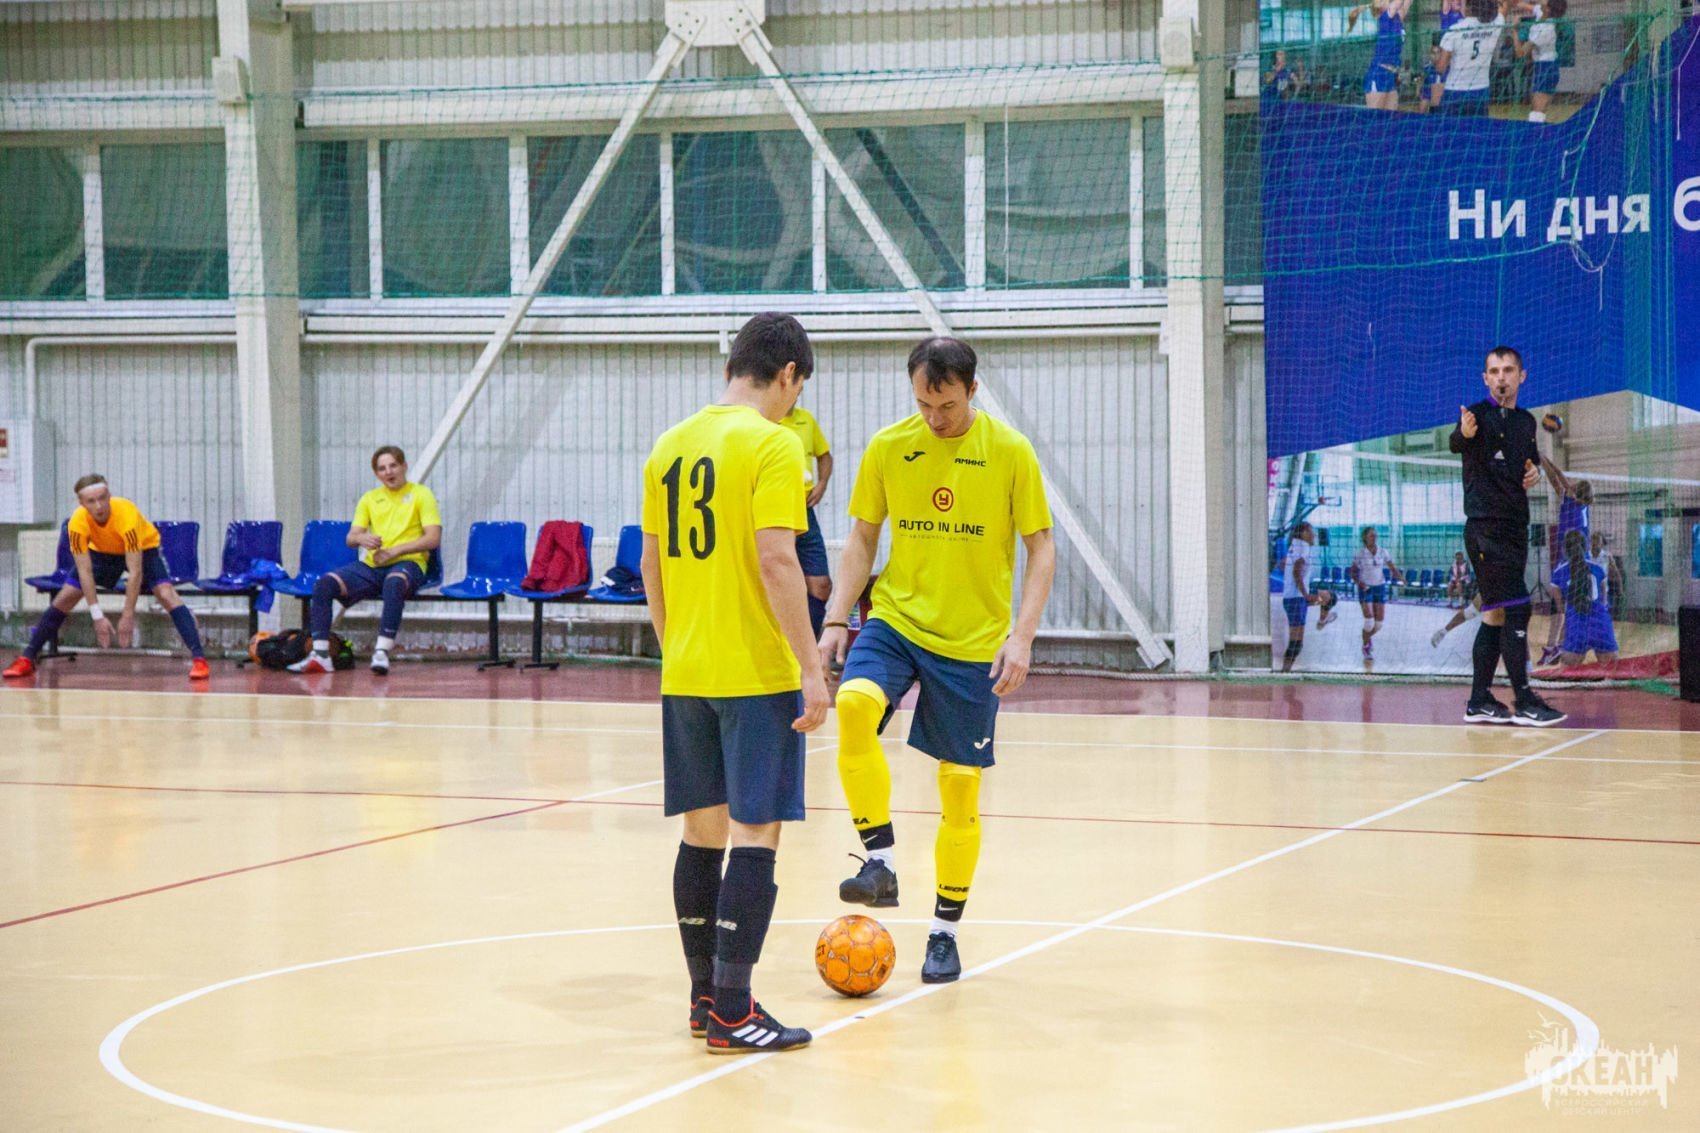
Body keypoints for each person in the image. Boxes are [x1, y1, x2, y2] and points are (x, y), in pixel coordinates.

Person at [818, 336, 1056, 985]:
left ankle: (944, 933)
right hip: (897, 618)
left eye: (946, 405)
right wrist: (837, 618)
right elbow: (863, 537)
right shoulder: (890, 447)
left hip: (974, 642)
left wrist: (1022, 637)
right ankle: (882, 862)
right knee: (853, 705)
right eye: (923, 403)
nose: (934, 417)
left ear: (972, 390)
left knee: (959, 789)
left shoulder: (1010, 451)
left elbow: (1042, 549)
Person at [638, 312, 828, 1055]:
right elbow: (778, 559)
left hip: (687, 668)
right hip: (754, 670)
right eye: (796, 389)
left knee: (700, 833)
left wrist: (675, 650)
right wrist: (811, 668)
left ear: (731, 366)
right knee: (755, 832)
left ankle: (703, 1000)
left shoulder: (669, 444)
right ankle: (734, 1010)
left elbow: (652, 565)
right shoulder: (776, 443)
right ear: (788, 375)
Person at [1449, 346, 1565, 724]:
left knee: (1495, 614)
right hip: (1485, 530)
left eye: (1508, 370)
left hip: (1515, 527)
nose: (1501, 377)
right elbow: (1456, 442)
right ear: (1486, 378)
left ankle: (1479, 700)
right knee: (1518, 606)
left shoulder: (1526, 422)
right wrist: (1464, 433)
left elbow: (1529, 464)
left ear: (1521, 376)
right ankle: (1524, 700)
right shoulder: (1475, 416)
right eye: (1495, 371)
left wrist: (1532, 473)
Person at [4, 475, 209, 681]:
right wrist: (97, 615)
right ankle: (27, 658)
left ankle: (199, 660)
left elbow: (135, 572)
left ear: (109, 495)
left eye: (102, 498)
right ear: (82, 503)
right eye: (91, 501)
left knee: (166, 593)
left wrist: (128, 615)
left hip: (145, 550)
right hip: (102, 553)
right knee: (66, 596)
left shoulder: (126, 515)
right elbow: (85, 572)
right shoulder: (76, 523)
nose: (99, 506)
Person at [288, 446, 441, 676]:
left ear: (404, 466)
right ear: (377, 474)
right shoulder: (370, 499)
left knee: (394, 582)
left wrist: (395, 551)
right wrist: (362, 538)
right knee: (324, 584)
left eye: (393, 466)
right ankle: (320, 655)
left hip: (409, 564)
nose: (388, 472)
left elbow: (433, 538)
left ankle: (381, 652)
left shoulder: (421, 494)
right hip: (373, 566)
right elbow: (351, 538)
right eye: (382, 468)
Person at [779, 399, 834, 638]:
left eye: (800, 385)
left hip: (804, 511)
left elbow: (825, 456)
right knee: (781, 585)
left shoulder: (806, 419)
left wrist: (821, 483)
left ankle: (808, 647)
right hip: (776, 512)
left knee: (821, 585)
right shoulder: (762, 421)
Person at [1535, 455, 1591, 666]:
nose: (1570, 486)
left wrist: (1543, 459)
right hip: (1580, 562)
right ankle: (1558, 646)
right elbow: (1559, 479)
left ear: (1576, 492)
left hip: (1568, 561)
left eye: (1574, 486)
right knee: (1567, 606)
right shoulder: (1584, 507)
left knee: (1559, 605)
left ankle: (1555, 647)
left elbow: (1556, 478)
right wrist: (1548, 463)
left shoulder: (1571, 503)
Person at [1550, 529, 1617, 664]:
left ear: (1565, 549)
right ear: (1585, 546)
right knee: (1610, 667)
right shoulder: (1598, 569)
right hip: (1600, 623)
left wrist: (1561, 641)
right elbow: (1604, 602)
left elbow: (1561, 609)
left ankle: (1558, 652)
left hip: (1577, 625)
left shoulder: (1558, 574)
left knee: (1568, 669)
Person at [1279, 522, 1337, 672]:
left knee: (1330, 597)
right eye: (1311, 532)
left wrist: (1289, 580)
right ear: (1303, 533)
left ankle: (1322, 620)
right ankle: (1284, 672)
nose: (1314, 535)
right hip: (1296, 600)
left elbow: (1282, 563)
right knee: (1296, 643)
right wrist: (1305, 595)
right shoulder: (1303, 548)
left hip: (1294, 598)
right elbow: (1296, 573)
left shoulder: (1294, 545)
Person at [1437, 0, 1510, 117]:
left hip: (1455, 90)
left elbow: (1440, 68)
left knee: (1452, 127)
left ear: (1468, 7)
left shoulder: (1454, 30)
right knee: (1477, 127)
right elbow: (1505, 5)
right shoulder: (1495, 25)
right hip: (1481, 89)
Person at [1350, 526, 1404, 669]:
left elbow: (1392, 567)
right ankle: (1366, 647)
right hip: (1365, 588)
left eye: (1375, 535)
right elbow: (1352, 573)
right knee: (1369, 621)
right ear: (1364, 538)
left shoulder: (1383, 551)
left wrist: (1401, 578)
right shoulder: (1360, 554)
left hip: (1379, 587)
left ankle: (1366, 638)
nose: (1374, 538)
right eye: (1371, 535)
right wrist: (1360, 583)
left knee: (1378, 625)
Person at [1350, 0, 1412, 110]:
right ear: (1381, 6)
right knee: (1375, 117)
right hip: (1379, 74)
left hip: (1391, 75)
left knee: (1391, 117)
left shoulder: (1398, 17)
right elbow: (1398, 3)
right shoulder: (1384, 18)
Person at [1512, 0, 1565, 122]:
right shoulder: (1541, 12)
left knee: (1537, 112)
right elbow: (1521, 4)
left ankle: (1537, 132)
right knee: (1537, 109)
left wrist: (1515, 30)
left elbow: (1520, 53)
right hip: (1543, 66)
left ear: (1548, 9)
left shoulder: (1545, 29)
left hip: (1546, 68)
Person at [1421, 0, 1466, 111]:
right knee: (1437, 82)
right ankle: (1434, 108)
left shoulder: (1462, 14)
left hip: (1459, 56)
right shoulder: (1446, 13)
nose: (1458, 2)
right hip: (1447, 55)